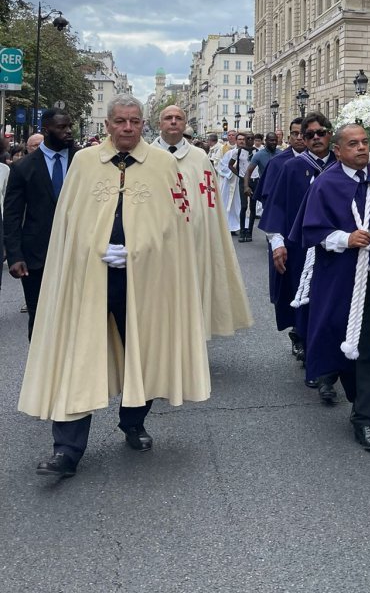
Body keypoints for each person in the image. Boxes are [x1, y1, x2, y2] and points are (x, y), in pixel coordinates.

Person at [19, 95, 210, 478]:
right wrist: (95, 247)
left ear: (143, 125)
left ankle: (134, 420)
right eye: (120, 121)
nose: (127, 128)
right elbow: (70, 221)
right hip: (90, 276)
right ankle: (67, 449)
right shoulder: (85, 163)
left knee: (145, 347)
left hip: (145, 277)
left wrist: (139, 250)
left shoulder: (162, 165)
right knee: (79, 352)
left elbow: (177, 224)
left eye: (134, 121)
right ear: (107, 124)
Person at [300, 123, 370, 452]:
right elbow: (313, 232)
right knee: (342, 343)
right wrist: (346, 239)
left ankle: (365, 419)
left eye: (365, 142)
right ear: (338, 150)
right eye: (353, 144)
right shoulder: (326, 184)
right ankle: (352, 390)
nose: (362, 148)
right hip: (341, 280)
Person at [152, 105, 252, 337]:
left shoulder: (199, 157)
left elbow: (209, 201)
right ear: (160, 124)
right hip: (157, 239)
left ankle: (192, 340)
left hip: (193, 238)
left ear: (185, 124)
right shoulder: (146, 155)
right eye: (168, 118)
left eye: (179, 118)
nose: (174, 122)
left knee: (192, 290)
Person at [259, 113, 335, 372]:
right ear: (302, 138)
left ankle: (328, 359)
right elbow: (277, 206)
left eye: (321, 132)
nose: (316, 138)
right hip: (300, 246)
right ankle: (307, 349)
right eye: (309, 134)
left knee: (330, 301)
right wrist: (277, 243)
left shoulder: (341, 164)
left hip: (337, 247)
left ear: (330, 134)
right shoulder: (290, 167)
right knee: (304, 298)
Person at [3, 109, 78, 339]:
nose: (68, 132)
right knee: (39, 318)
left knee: (77, 318)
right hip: (37, 257)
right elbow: (13, 215)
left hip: (78, 252)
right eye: (61, 127)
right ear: (46, 130)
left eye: (69, 126)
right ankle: (39, 373)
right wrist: (15, 255)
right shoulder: (23, 167)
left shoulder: (82, 160)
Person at [243, 131, 278, 241]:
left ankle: (277, 237)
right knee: (268, 214)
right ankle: (271, 237)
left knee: (278, 213)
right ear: (266, 141)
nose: (274, 142)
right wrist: (246, 186)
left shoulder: (282, 154)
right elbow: (248, 172)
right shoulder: (259, 155)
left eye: (275, 140)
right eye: (271, 140)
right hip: (266, 189)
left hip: (279, 188)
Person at [217, 132, 248, 234]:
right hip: (231, 181)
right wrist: (233, 171)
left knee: (242, 205)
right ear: (236, 140)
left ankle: (244, 226)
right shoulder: (230, 153)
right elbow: (222, 165)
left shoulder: (249, 153)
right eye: (239, 139)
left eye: (243, 139)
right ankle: (231, 226)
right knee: (230, 204)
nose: (242, 141)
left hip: (244, 182)